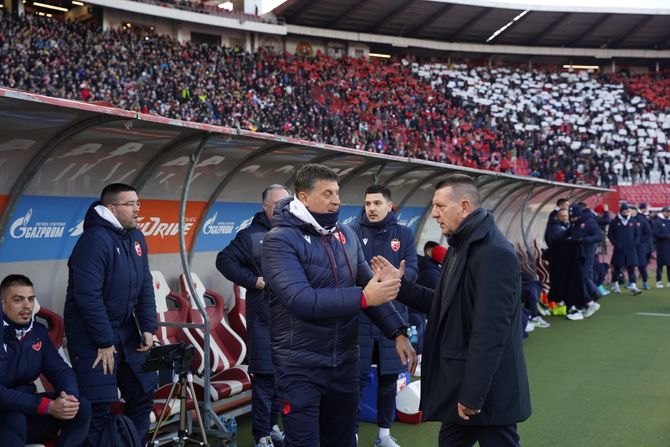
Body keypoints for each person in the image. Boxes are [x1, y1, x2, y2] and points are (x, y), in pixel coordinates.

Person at [261, 164, 416, 447]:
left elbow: (372, 288)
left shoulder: (345, 234)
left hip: (344, 362)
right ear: (304, 198)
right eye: (328, 193)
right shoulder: (279, 240)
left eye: (338, 193)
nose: (337, 200)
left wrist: (397, 332)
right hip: (300, 366)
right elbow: (301, 299)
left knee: (343, 441)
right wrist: (363, 297)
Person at [371, 174, 531, 447]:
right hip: (465, 387)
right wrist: (401, 286)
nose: (433, 213)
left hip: (486, 395)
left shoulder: (495, 253)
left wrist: (472, 395)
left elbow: (490, 333)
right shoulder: (461, 245)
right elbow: (445, 303)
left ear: (465, 206)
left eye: (440, 206)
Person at [65, 183, 157, 445]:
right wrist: (104, 341)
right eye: (131, 204)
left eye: (138, 203)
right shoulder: (94, 241)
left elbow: (145, 284)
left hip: (126, 331)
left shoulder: (136, 237)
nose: (137, 209)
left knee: (143, 392)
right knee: (98, 407)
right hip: (92, 336)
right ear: (111, 208)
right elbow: (87, 296)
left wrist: (148, 327)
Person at [216, 184, 290, 447]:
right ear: (265, 206)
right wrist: (253, 281)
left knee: (283, 379)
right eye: (276, 204)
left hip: (291, 322)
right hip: (263, 320)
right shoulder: (250, 236)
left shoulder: (295, 232)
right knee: (265, 378)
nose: (282, 209)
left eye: (286, 204)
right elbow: (223, 260)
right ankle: (261, 435)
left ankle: (272, 426)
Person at [350, 184, 419, 447]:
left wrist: (400, 277)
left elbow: (413, 268)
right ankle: (352, 435)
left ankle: (383, 435)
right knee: (355, 380)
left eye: (377, 203)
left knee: (389, 379)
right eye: (368, 204)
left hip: (393, 318)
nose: (371, 208)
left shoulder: (403, 234)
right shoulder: (353, 233)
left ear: (389, 206)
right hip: (361, 318)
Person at [0, 274, 91, 447]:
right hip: (6, 415)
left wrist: (68, 396)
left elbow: (60, 370)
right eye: (18, 300)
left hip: (28, 410)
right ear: (3, 304)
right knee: (14, 417)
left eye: (31, 299)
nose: (27, 305)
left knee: (81, 408)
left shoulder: (38, 332)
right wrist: (45, 406)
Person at [607, 203, 642, 295]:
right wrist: (616, 243)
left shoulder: (633, 221)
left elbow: (637, 234)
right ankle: (615, 283)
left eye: (627, 211)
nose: (625, 213)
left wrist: (635, 243)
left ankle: (633, 286)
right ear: (620, 212)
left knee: (631, 267)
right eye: (624, 211)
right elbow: (610, 235)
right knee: (618, 267)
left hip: (630, 249)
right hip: (619, 249)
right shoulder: (614, 222)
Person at [630, 206, 652, 290]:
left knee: (642, 265)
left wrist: (640, 241)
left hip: (640, 247)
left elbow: (648, 233)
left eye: (632, 210)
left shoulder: (642, 220)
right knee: (630, 265)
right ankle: (632, 282)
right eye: (629, 211)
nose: (631, 212)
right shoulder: (627, 220)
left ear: (636, 211)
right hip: (630, 247)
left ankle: (645, 282)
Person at [653, 206, 670, 288]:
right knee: (660, 264)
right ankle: (658, 281)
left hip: (669, 246)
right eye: (666, 212)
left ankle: (669, 281)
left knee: (669, 264)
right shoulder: (658, 222)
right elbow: (656, 234)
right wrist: (667, 236)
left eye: (669, 212)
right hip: (661, 246)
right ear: (663, 212)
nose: (668, 213)